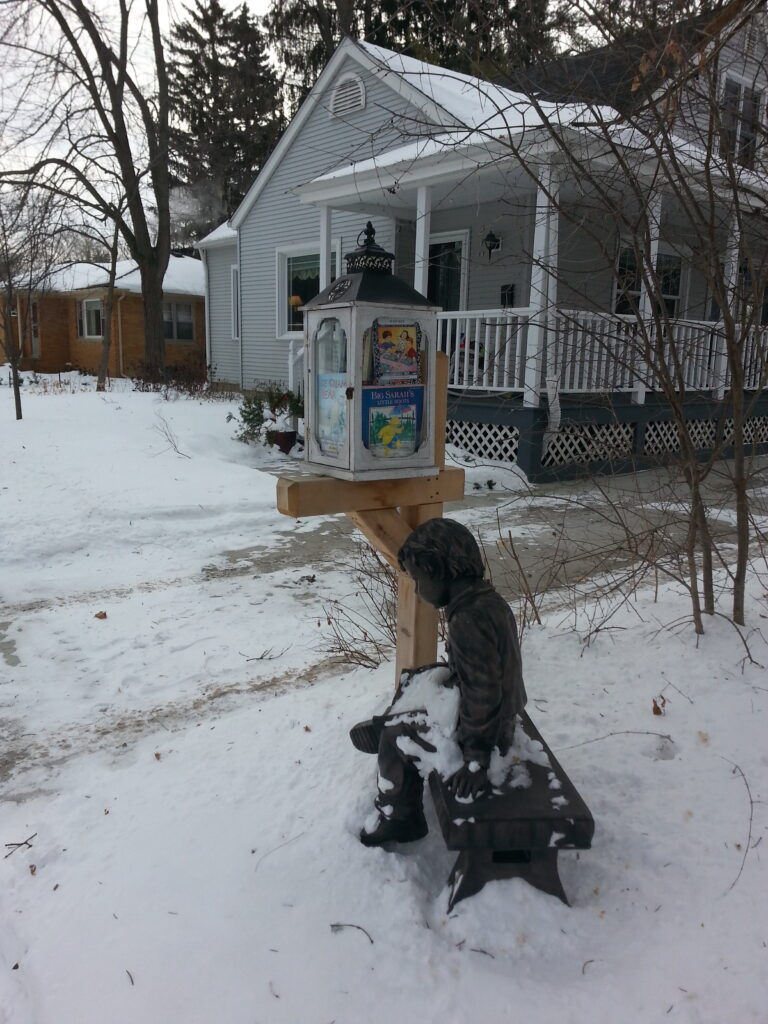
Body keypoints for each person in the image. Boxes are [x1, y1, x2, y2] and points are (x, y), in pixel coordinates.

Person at [353, 517, 527, 847]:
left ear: (438, 569)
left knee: (395, 736)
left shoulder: (468, 619)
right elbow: (483, 678)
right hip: (498, 718)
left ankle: (400, 816)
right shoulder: (485, 601)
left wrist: (475, 760)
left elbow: (484, 693)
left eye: (419, 579)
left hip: (489, 734)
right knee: (420, 677)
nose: (418, 591)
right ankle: (395, 719)